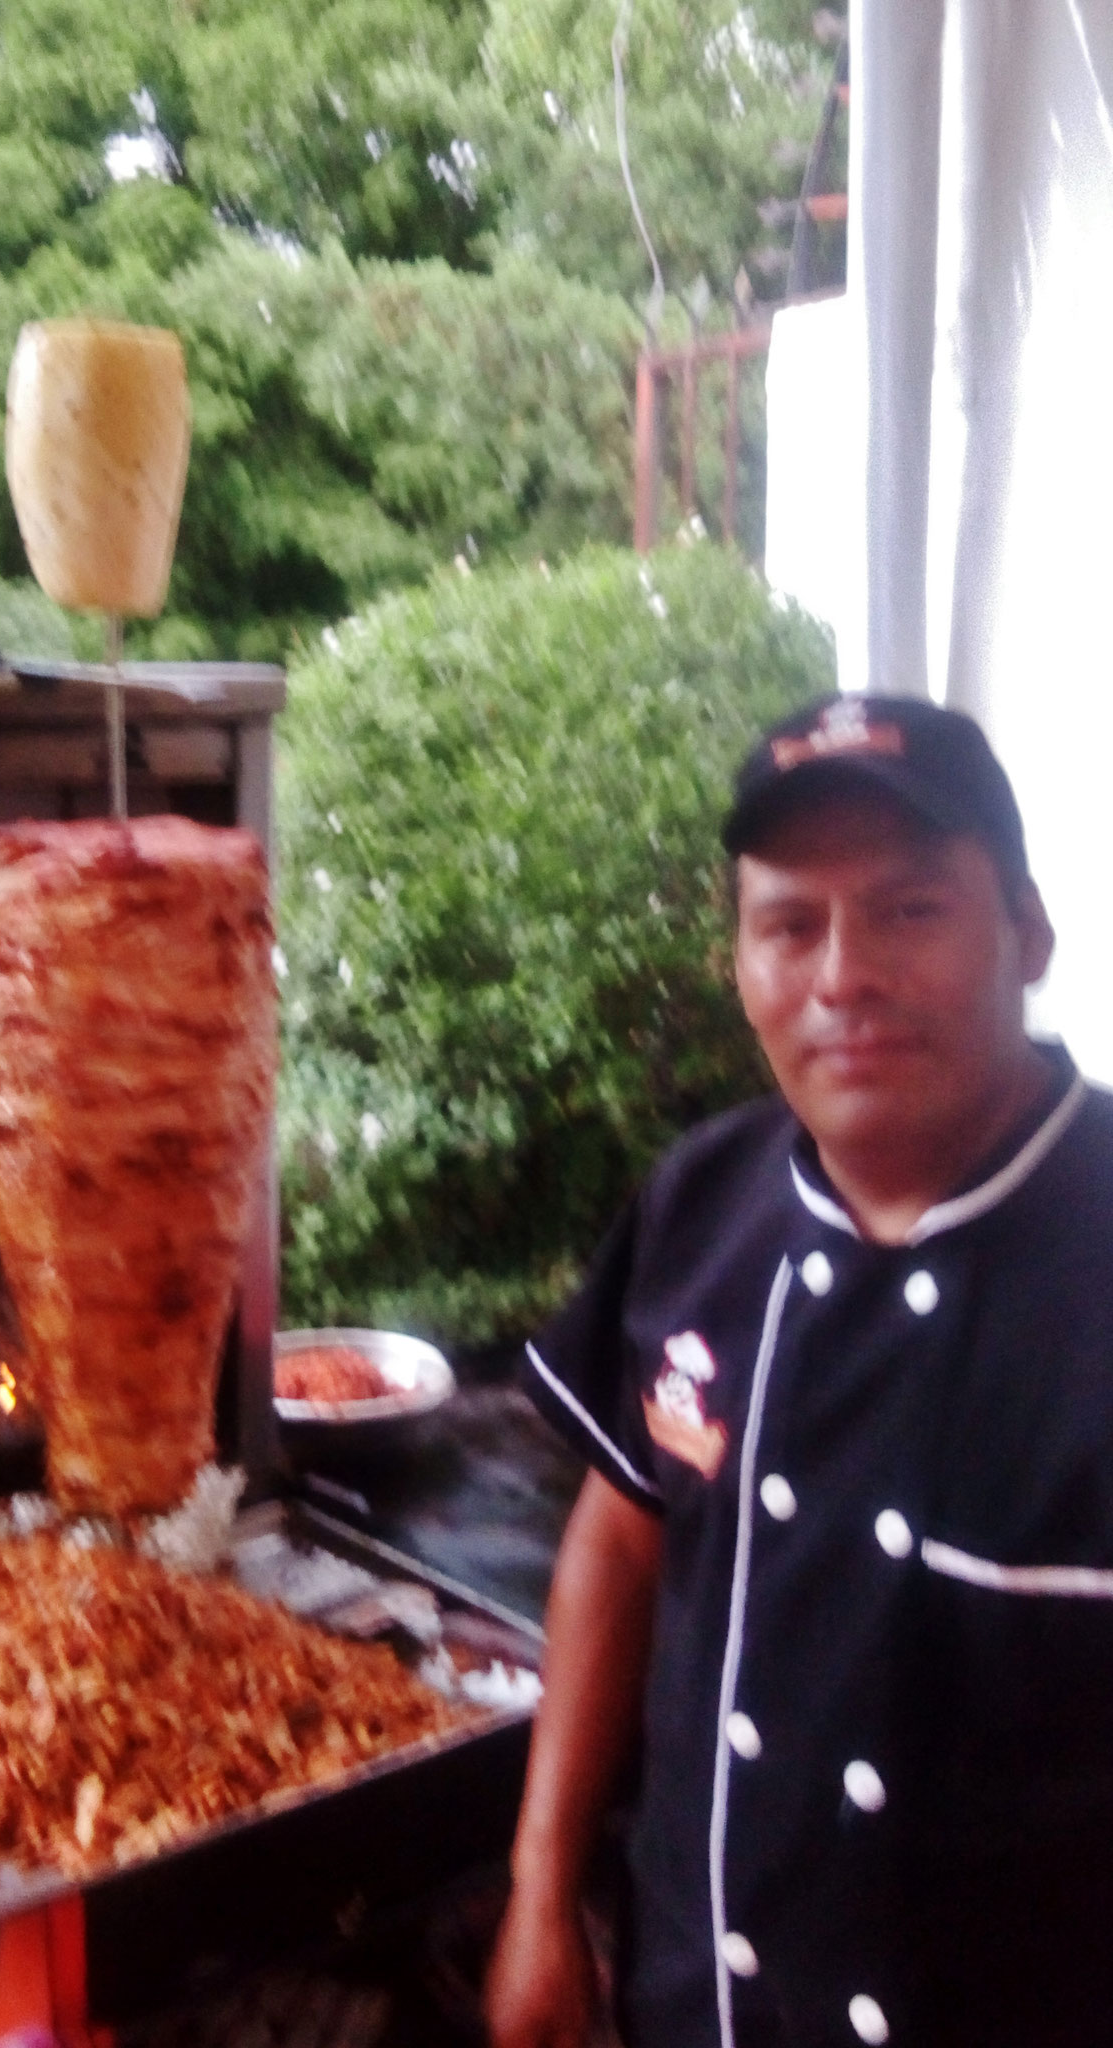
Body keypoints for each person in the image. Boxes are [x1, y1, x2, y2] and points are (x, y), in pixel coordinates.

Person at [485, 693, 1113, 2048]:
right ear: (739, 962)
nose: (844, 976)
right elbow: (620, 1536)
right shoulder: (700, 1205)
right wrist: (541, 1891)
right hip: (692, 2008)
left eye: (909, 912)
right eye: (790, 924)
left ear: (1032, 931)